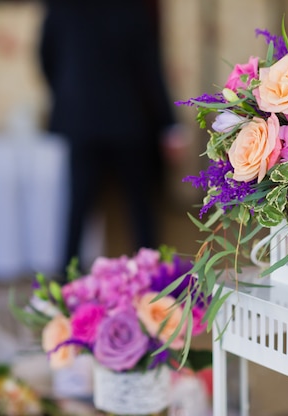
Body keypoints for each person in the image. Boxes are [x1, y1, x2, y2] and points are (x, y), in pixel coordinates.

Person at [38, 0, 182, 277]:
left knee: (77, 208)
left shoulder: (60, 6)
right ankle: (151, 276)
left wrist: (70, 93)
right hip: (128, 119)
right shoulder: (133, 8)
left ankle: (66, 282)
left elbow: (46, 58)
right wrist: (168, 124)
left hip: (81, 120)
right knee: (141, 207)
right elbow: (150, 68)